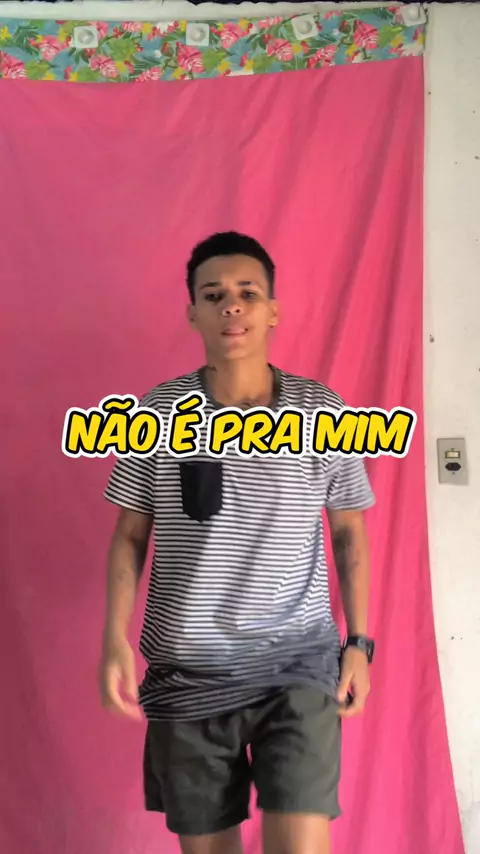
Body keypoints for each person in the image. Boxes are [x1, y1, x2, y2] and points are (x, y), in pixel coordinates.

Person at [100, 232, 375, 854]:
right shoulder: (156, 413)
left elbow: (349, 531)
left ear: (273, 311)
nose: (231, 305)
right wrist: (114, 637)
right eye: (213, 294)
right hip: (187, 672)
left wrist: (359, 643)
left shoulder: (322, 411)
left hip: (298, 665)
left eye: (248, 293)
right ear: (192, 313)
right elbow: (130, 535)